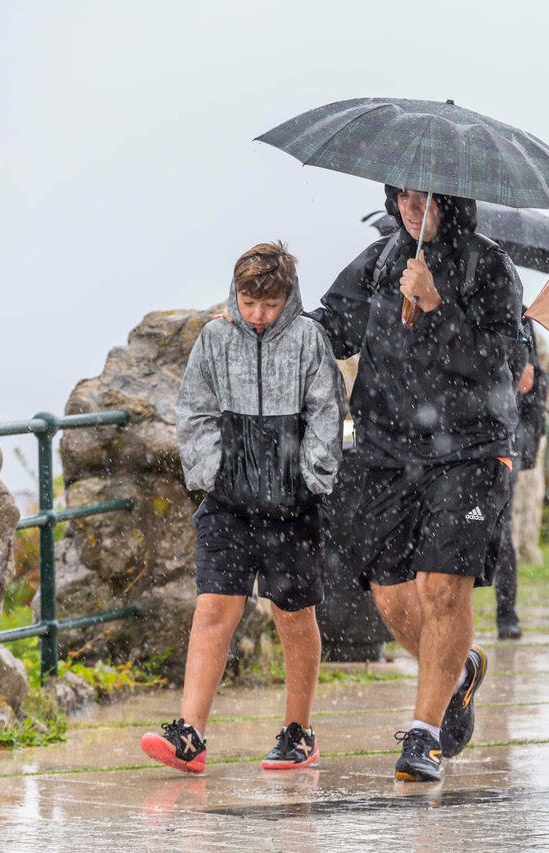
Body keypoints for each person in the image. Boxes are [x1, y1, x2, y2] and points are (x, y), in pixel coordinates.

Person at [310, 186, 522, 781]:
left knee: (443, 587)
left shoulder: (489, 265)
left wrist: (437, 306)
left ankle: (423, 736)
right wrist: (268, 323)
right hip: (384, 451)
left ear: (452, 199)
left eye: (423, 196)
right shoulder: (380, 259)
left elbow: (504, 358)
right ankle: (456, 676)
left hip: (471, 450)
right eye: (401, 194)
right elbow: (329, 327)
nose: (410, 206)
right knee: (393, 597)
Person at [141, 242, 344, 774]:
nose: (258, 314)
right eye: (249, 302)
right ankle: (191, 735)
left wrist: (309, 479)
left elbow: (327, 411)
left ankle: (297, 732)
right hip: (227, 504)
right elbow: (194, 409)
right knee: (213, 609)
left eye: (270, 304)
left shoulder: (309, 340)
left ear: (288, 297)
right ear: (236, 294)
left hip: (293, 506)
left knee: (294, 616)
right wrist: (211, 474)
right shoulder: (213, 338)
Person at [494, 314, 548, 640]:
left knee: (500, 530)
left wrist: (525, 450)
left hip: (504, 438)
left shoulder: (520, 317)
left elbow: (530, 382)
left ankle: (506, 613)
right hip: (458, 435)